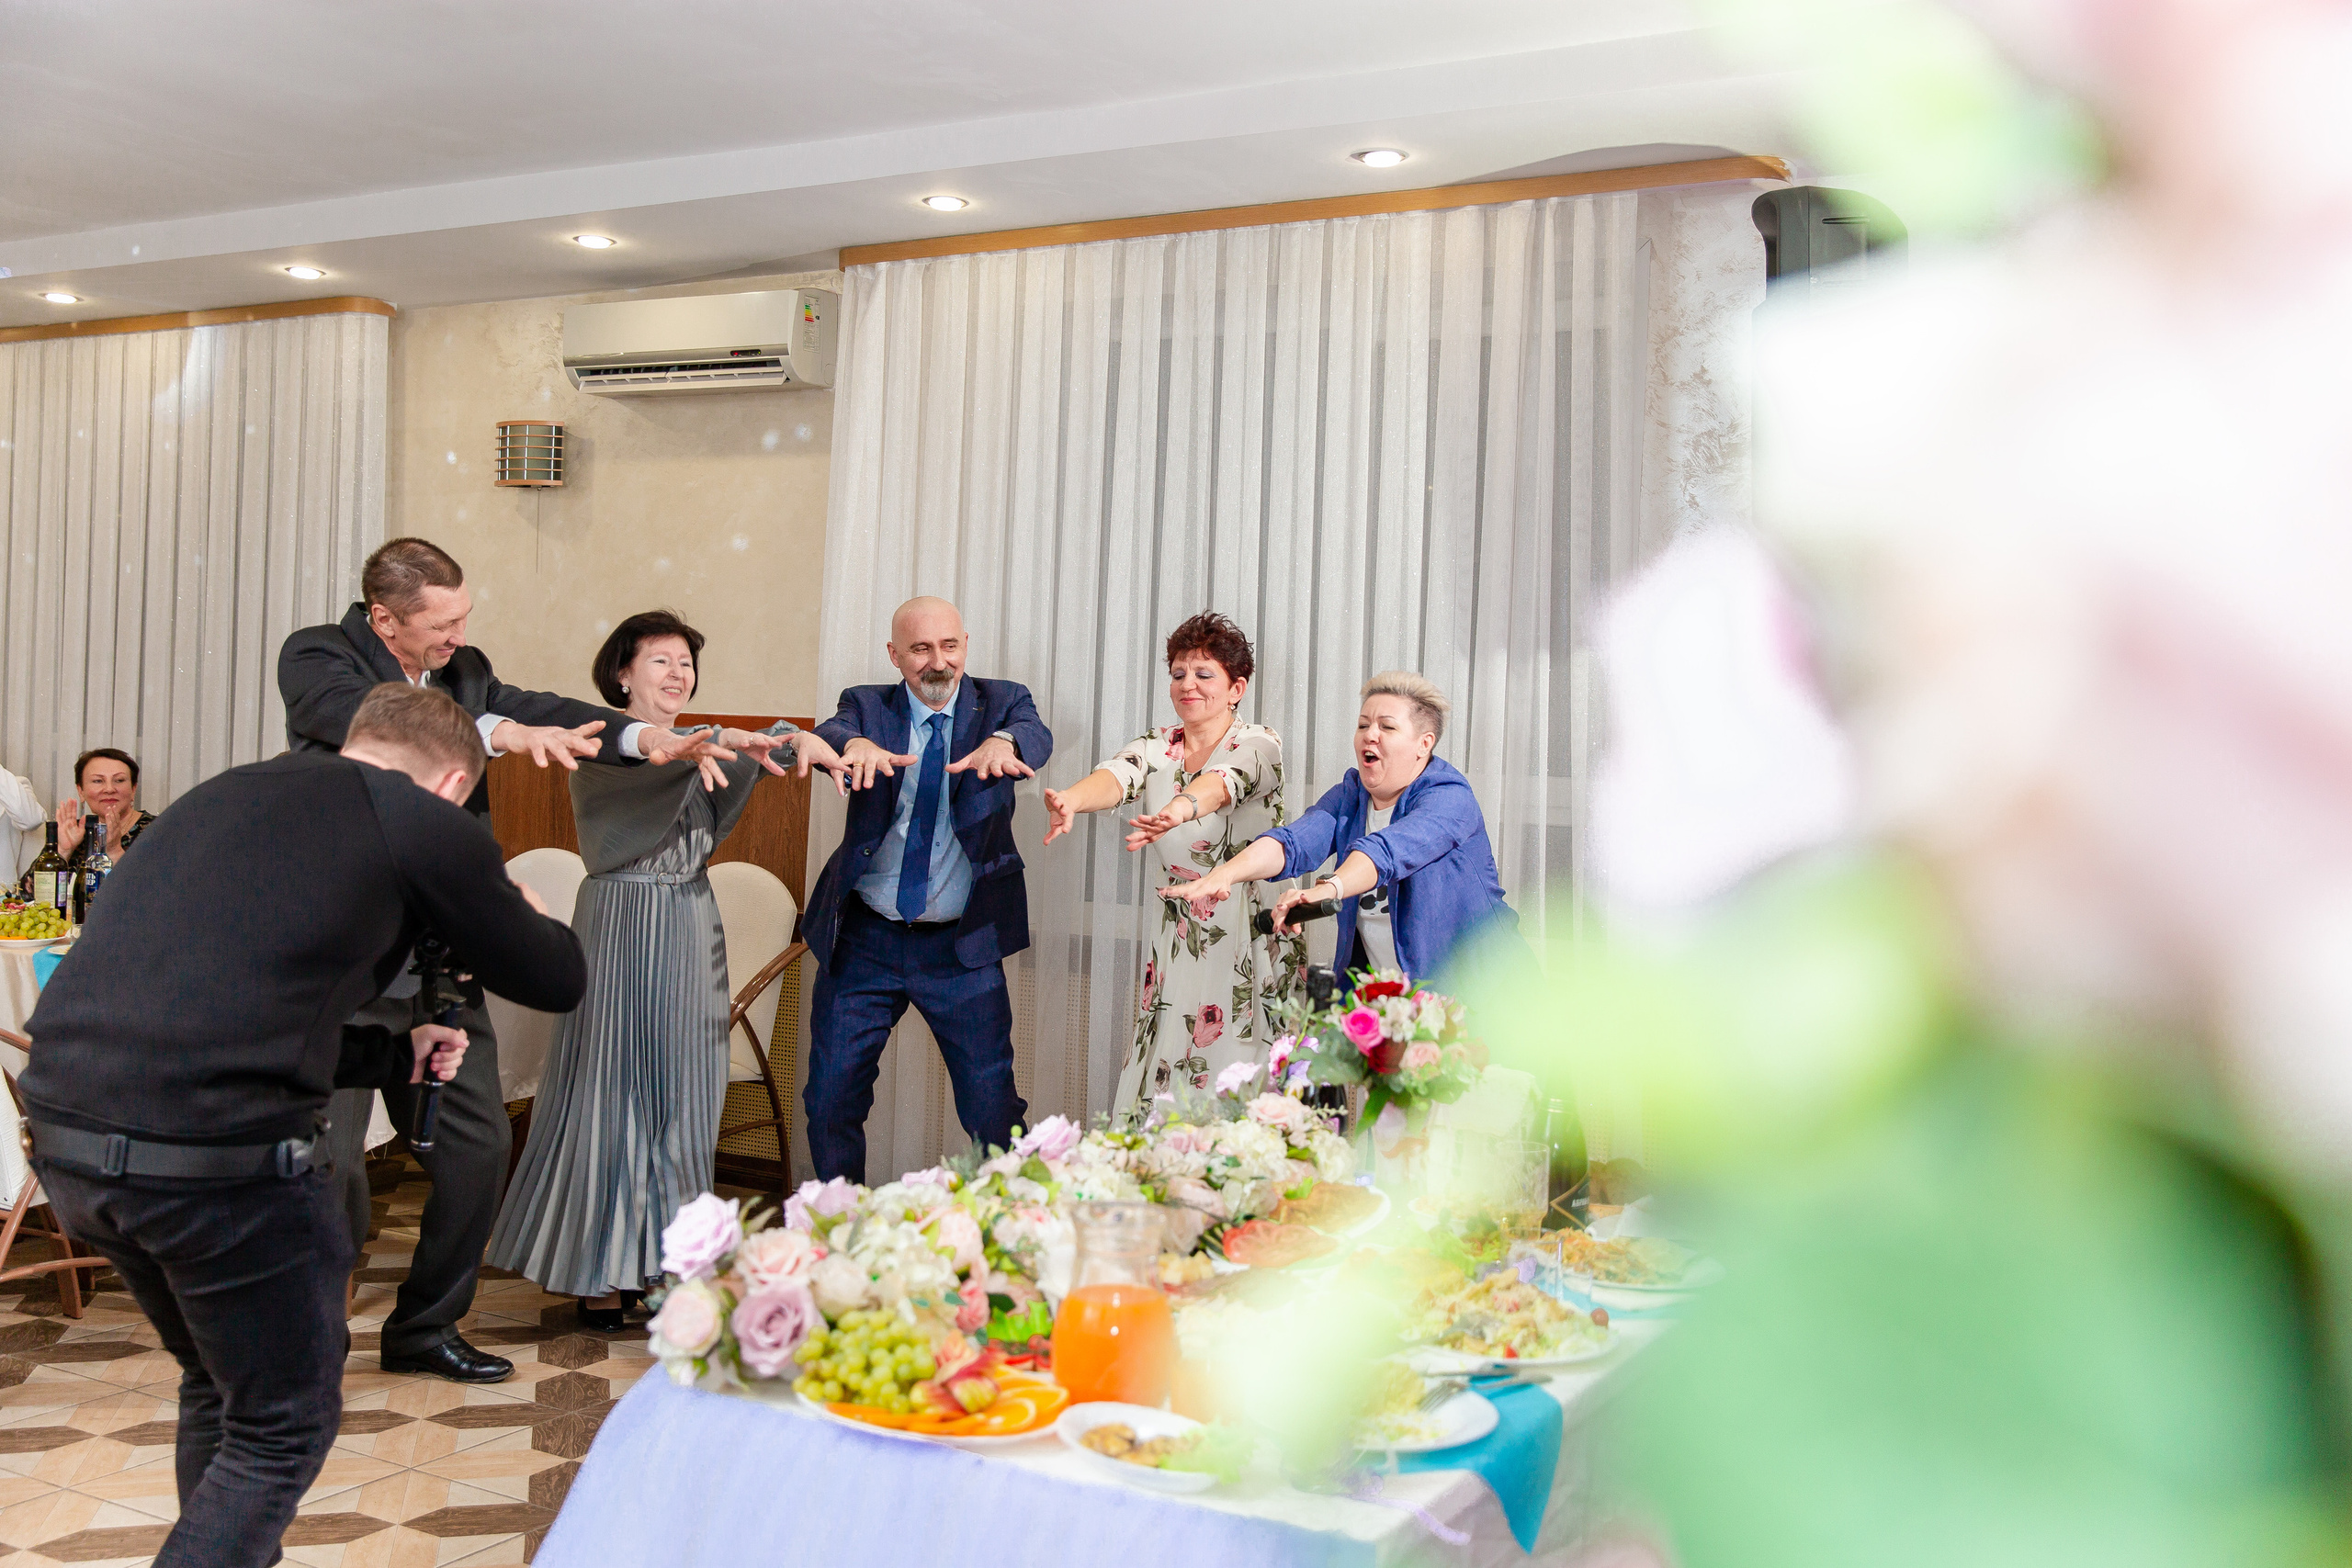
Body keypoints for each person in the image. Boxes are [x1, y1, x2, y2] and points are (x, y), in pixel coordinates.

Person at [18, 683, 585, 1568]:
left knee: (222, 1384)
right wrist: (529, 910)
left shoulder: (225, 793)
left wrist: (393, 1056)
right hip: (212, 1159)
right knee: (282, 1427)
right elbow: (554, 979)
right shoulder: (427, 817)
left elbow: (237, 1001)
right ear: (450, 784)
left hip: (67, 1137)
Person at [277, 536, 750, 1383]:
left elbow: (555, 708)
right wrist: (496, 727)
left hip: (437, 958)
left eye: (464, 616)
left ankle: (426, 1327)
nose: (460, 634)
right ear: (385, 616)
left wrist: (647, 738)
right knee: (331, 1163)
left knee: (476, 1146)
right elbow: (376, 725)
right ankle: (308, 1339)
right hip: (343, 960)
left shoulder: (467, 667)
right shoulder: (319, 656)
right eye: (442, 621)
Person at [488, 610, 846, 1326]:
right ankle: (596, 1269)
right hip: (618, 918)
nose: (678, 673)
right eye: (661, 660)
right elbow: (663, 758)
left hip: (689, 918)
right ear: (623, 672)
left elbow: (766, 746)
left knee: (686, 1091)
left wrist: (803, 738)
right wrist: (710, 743)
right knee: (608, 1085)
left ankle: (669, 1266)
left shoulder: (703, 741)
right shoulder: (600, 739)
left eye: (686, 662)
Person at [800, 595, 1050, 1181]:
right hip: (865, 939)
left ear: (966, 646)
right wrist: (852, 746)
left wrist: (1004, 745)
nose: (939, 663)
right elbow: (832, 732)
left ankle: (1003, 1239)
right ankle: (844, 1236)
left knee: (993, 1109)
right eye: (920, 649)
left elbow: (1033, 732)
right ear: (895, 654)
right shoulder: (867, 705)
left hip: (962, 944)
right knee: (830, 1099)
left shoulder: (1002, 702)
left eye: (950, 646)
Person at [1041, 612, 1304, 1110]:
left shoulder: (1259, 743)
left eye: (1205, 674)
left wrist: (1178, 808)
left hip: (1247, 927)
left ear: (1236, 688)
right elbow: (1119, 775)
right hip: (1180, 932)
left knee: (1242, 1068)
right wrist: (1072, 800)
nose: (1189, 685)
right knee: (1167, 1066)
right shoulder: (1160, 744)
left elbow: (1226, 782)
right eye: (1179, 673)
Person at [1170, 671, 1515, 986]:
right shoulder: (1352, 796)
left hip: (1484, 996)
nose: (1370, 735)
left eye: (1387, 727)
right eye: (1364, 725)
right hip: (1392, 1006)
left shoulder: (1449, 798)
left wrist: (1329, 888)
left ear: (1424, 744)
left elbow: (1388, 851)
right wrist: (1225, 874)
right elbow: (1293, 843)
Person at [53, 748, 156, 867]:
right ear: (81, 791)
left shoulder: (157, 829)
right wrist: (63, 851)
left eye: (119, 780)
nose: (109, 789)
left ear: (133, 789)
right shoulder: (72, 831)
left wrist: (114, 851)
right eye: (98, 781)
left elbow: (163, 884)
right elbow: (30, 885)